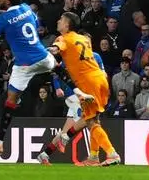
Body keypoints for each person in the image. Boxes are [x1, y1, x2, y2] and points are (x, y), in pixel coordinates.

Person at [0, 0, 55, 158]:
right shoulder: (27, 8)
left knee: (10, 101)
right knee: (56, 65)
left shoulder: (3, 19)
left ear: (7, 1)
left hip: (23, 64)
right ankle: (79, 91)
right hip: (41, 56)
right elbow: (36, 25)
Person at [43, 11, 119, 166]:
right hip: (101, 79)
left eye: (61, 19)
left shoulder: (63, 38)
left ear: (67, 24)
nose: (58, 21)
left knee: (90, 121)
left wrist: (43, 51)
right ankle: (93, 157)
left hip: (88, 83)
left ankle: (112, 154)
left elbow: (56, 49)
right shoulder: (84, 39)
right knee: (94, 119)